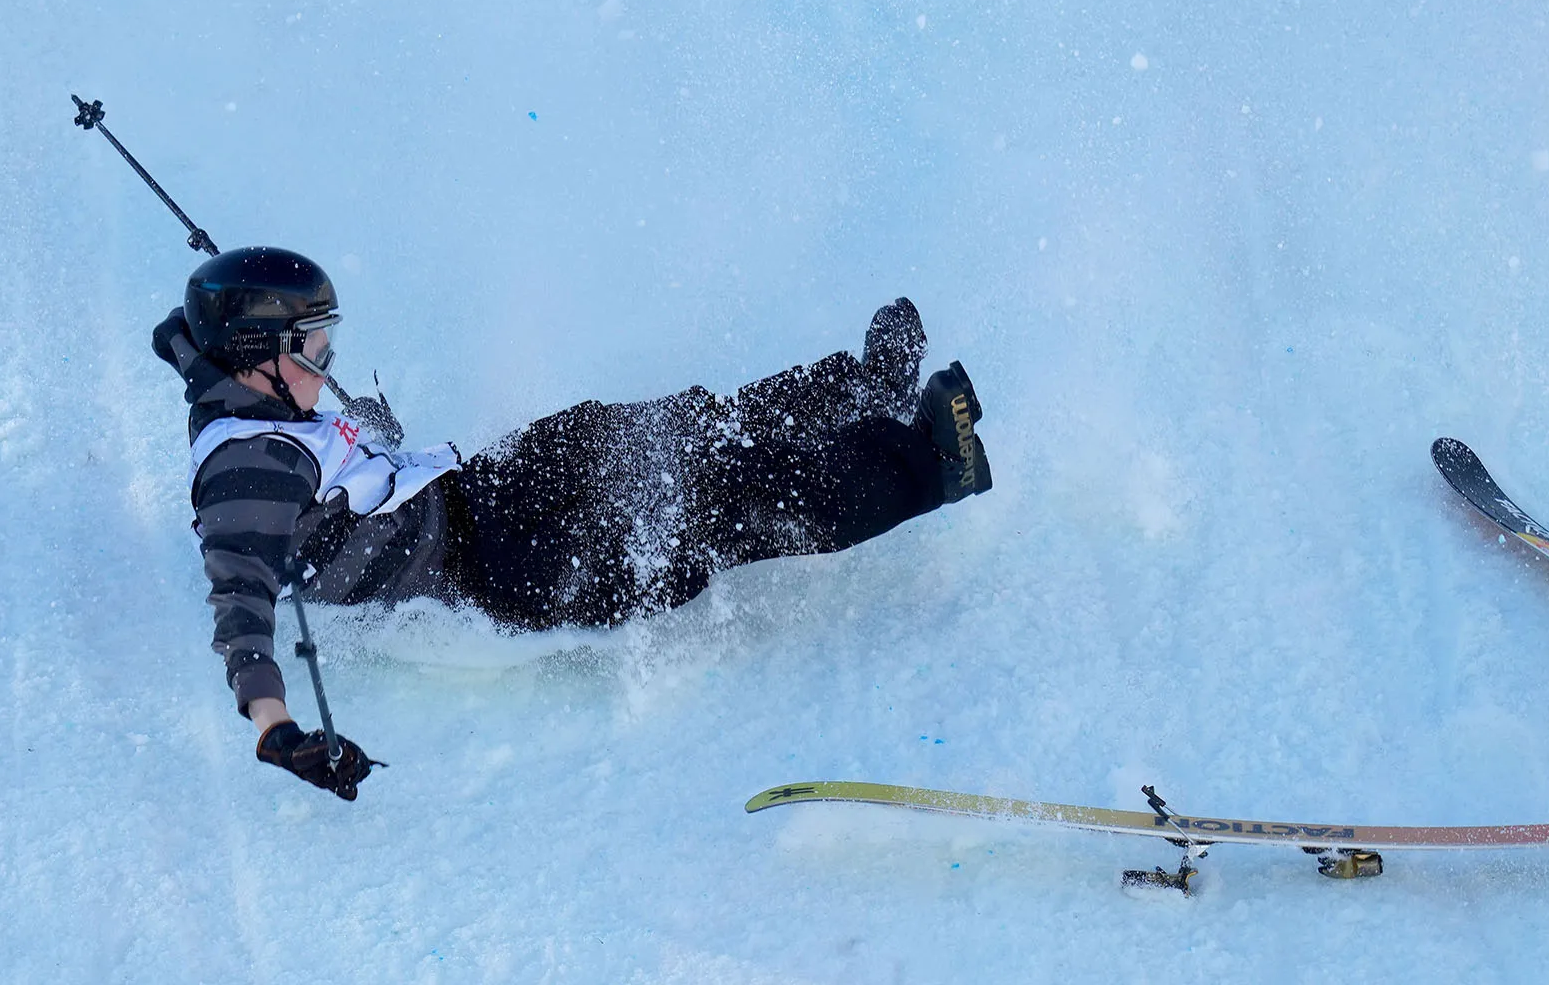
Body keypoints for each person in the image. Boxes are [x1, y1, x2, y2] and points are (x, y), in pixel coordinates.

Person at [152, 247, 993, 799]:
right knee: (725, 502)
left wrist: (197, 340)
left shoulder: (242, 388)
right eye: (313, 346)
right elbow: (240, 601)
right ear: (260, 355)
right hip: (514, 571)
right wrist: (280, 733)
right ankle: (929, 465)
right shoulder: (245, 470)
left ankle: (859, 388)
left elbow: (234, 383)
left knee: (678, 427)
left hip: (483, 493)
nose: (326, 360)